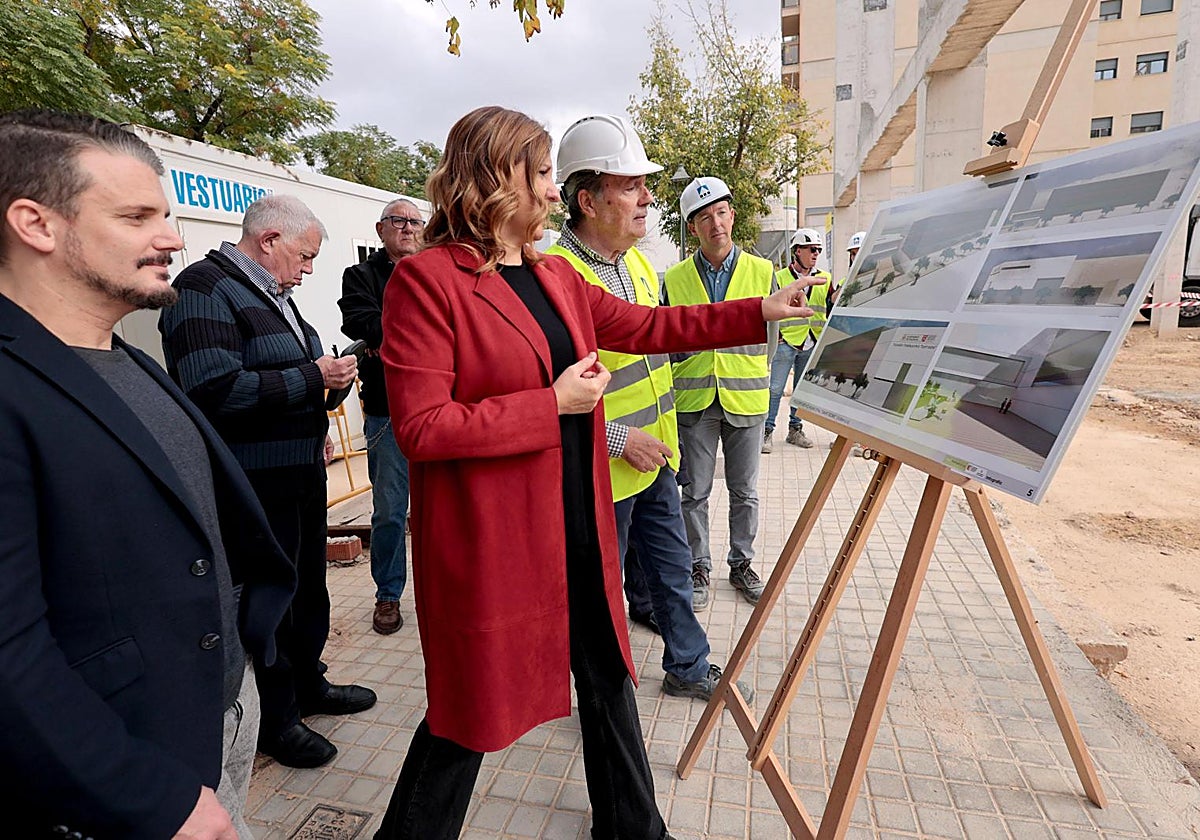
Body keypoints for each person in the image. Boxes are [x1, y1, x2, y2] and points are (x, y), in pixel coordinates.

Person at [373, 105, 818, 840]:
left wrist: (759, 310)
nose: (552, 192)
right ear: (494, 182)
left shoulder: (552, 276)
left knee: (609, 676)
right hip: (506, 541)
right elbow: (421, 429)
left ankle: (633, 827)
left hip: (578, 522)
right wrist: (549, 405)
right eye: (542, 174)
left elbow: (651, 328)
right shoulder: (426, 283)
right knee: (470, 716)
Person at [0, 110, 294, 839]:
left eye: (165, 214)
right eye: (137, 217)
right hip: (128, 780)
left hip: (219, 713)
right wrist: (142, 794)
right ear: (35, 223)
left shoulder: (124, 357)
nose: (173, 238)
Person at [160, 194, 376, 770]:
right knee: (269, 602)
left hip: (297, 472)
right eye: (304, 257)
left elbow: (290, 375)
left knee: (307, 590)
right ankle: (275, 720)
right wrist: (312, 376)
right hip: (251, 485)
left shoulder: (274, 297)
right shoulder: (203, 289)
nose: (308, 270)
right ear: (269, 240)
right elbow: (211, 390)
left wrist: (327, 389)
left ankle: (310, 684)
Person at [546, 114, 753, 703]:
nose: (646, 198)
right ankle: (599, 694)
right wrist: (619, 440)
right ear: (587, 200)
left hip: (654, 455)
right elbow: (556, 393)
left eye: (645, 184)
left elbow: (661, 342)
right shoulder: (560, 278)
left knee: (670, 568)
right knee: (599, 587)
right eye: (631, 185)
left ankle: (688, 665)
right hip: (601, 471)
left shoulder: (637, 264)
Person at [663, 176, 777, 611]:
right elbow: (668, 340)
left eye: (722, 212)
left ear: (733, 215)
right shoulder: (674, 279)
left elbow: (771, 338)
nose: (716, 223)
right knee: (694, 492)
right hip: (694, 401)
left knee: (745, 491)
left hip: (745, 398)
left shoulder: (762, 271)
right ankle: (698, 566)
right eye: (704, 217)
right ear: (693, 227)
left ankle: (741, 563)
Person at [338, 198, 424, 635]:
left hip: (438, 409)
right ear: (380, 228)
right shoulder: (361, 276)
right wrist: (415, 334)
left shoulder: (434, 271)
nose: (407, 228)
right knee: (390, 511)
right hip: (387, 413)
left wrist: (389, 339)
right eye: (398, 221)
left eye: (414, 221)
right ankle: (388, 594)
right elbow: (360, 322)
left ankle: (440, 590)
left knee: (439, 510)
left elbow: (451, 325)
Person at [763, 228, 832, 454]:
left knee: (801, 391)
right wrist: (778, 337)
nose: (816, 254)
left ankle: (795, 429)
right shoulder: (780, 278)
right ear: (797, 251)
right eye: (812, 249)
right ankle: (767, 431)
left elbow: (830, 305)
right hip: (787, 342)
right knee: (775, 389)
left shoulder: (824, 278)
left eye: (818, 250)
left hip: (811, 342)